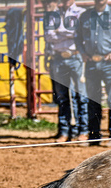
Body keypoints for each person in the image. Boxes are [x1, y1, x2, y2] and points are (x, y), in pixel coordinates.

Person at [74, 0, 111, 147]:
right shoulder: (85, 16)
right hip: (92, 63)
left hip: (108, 62)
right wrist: (82, 53)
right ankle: (94, 136)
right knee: (93, 100)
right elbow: (77, 37)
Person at [44, 0, 89, 143]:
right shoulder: (54, 14)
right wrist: (67, 33)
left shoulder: (80, 13)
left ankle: (83, 131)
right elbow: (49, 35)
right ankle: (65, 131)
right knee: (62, 97)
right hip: (59, 58)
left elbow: (77, 33)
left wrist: (60, 31)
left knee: (81, 95)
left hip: (75, 57)